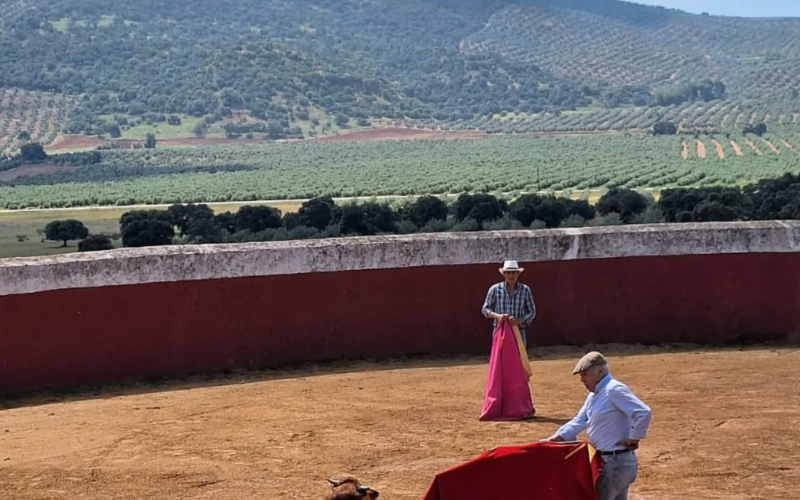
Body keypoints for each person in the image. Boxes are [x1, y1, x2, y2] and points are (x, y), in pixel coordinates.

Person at [542, 351, 652, 500]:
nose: (582, 380)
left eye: (585, 374)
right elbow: (579, 421)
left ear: (600, 371)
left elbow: (643, 412)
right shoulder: (594, 395)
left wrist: (634, 438)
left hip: (614, 464)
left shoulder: (614, 390)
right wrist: (556, 438)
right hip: (611, 462)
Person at [481, 260, 536, 348]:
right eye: (508, 272)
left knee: (519, 358)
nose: (511, 275)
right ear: (504, 274)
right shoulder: (495, 289)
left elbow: (531, 311)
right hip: (500, 330)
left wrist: (520, 320)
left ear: (518, 274)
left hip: (518, 330)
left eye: (513, 272)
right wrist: (498, 316)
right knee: (500, 358)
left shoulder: (525, 290)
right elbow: (485, 309)